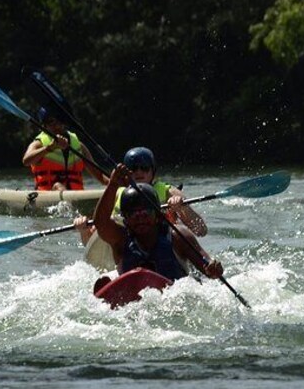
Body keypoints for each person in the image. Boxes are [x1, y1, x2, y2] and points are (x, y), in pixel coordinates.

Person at [93, 163, 224, 282]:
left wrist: (213, 268)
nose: (140, 219)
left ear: (158, 216)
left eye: (145, 213)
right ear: (125, 219)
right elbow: (100, 223)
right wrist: (113, 184)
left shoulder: (178, 236)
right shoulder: (120, 239)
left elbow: (208, 268)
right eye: (133, 214)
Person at [73, 146, 207, 245]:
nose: (138, 172)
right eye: (133, 168)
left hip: (163, 246)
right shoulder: (115, 194)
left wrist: (181, 208)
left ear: (152, 171)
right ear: (126, 172)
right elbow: (92, 241)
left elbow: (201, 230)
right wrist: (83, 231)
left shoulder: (170, 192)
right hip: (125, 247)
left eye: (144, 167)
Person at [22, 107, 108, 191]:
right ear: (44, 125)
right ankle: (66, 202)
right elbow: (26, 161)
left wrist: (114, 182)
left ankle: (68, 202)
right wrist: (49, 148)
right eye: (51, 122)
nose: (57, 125)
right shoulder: (39, 144)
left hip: (76, 196)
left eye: (60, 120)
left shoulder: (79, 146)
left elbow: (99, 176)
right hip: (47, 195)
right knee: (58, 185)